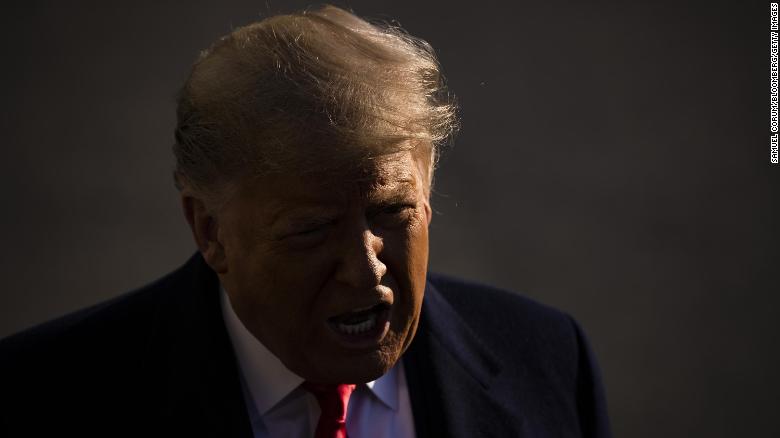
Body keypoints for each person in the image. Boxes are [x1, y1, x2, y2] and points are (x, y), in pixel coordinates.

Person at [0, 5, 611, 437]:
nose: (363, 268)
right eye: (311, 229)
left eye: (393, 212)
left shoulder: (551, 363)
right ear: (209, 230)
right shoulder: (44, 395)